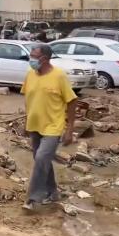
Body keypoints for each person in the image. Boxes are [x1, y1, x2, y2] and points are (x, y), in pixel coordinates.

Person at [21, 44, 77, 211]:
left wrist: (69, 129)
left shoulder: (59, 76)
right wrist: (26, 121)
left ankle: (32, 198)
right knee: (42, 160)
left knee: (41, 158)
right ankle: (52, 193)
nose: (30, 59)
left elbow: (72, 101)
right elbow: (28, 99)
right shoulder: (30, 74)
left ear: (44, 59)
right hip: (34, 125)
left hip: (53, 126)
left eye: (33, 56)